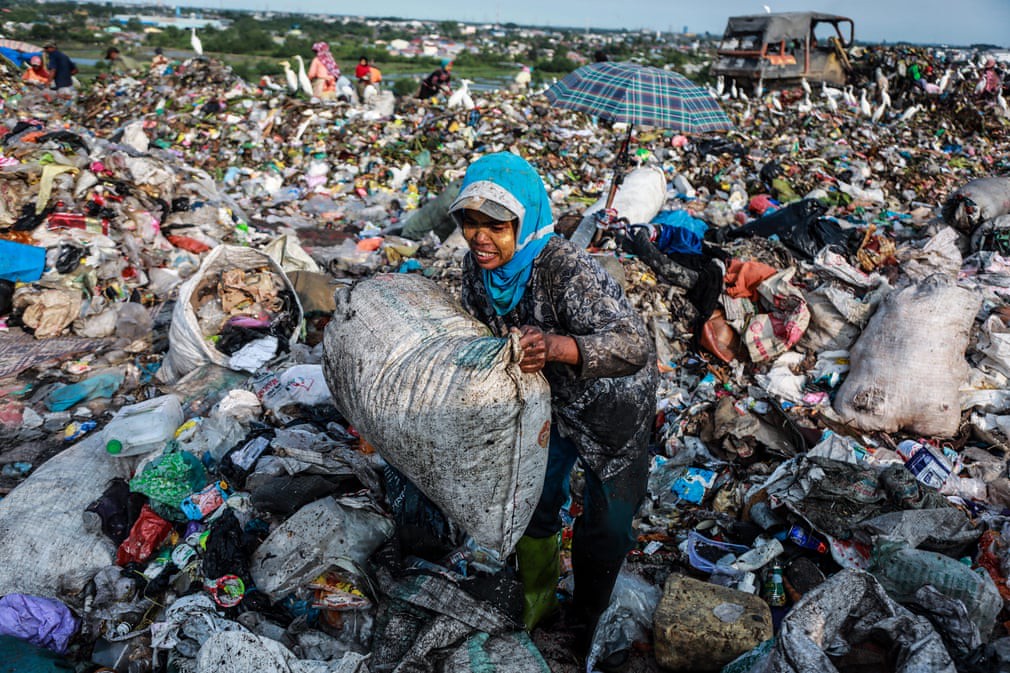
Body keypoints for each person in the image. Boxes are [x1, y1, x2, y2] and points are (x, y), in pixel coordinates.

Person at [448, 153, 657, 668]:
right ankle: (539, 602)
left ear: (526, 222)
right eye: (470, 223)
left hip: (613, 407)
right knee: (533, 500)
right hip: (544, 404)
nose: (480, 238)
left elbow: (634, 345)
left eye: (496, 226)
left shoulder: (565, 268)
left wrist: (558, 348)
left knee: (607, 526)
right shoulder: (477, 276)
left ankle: (588, 617)